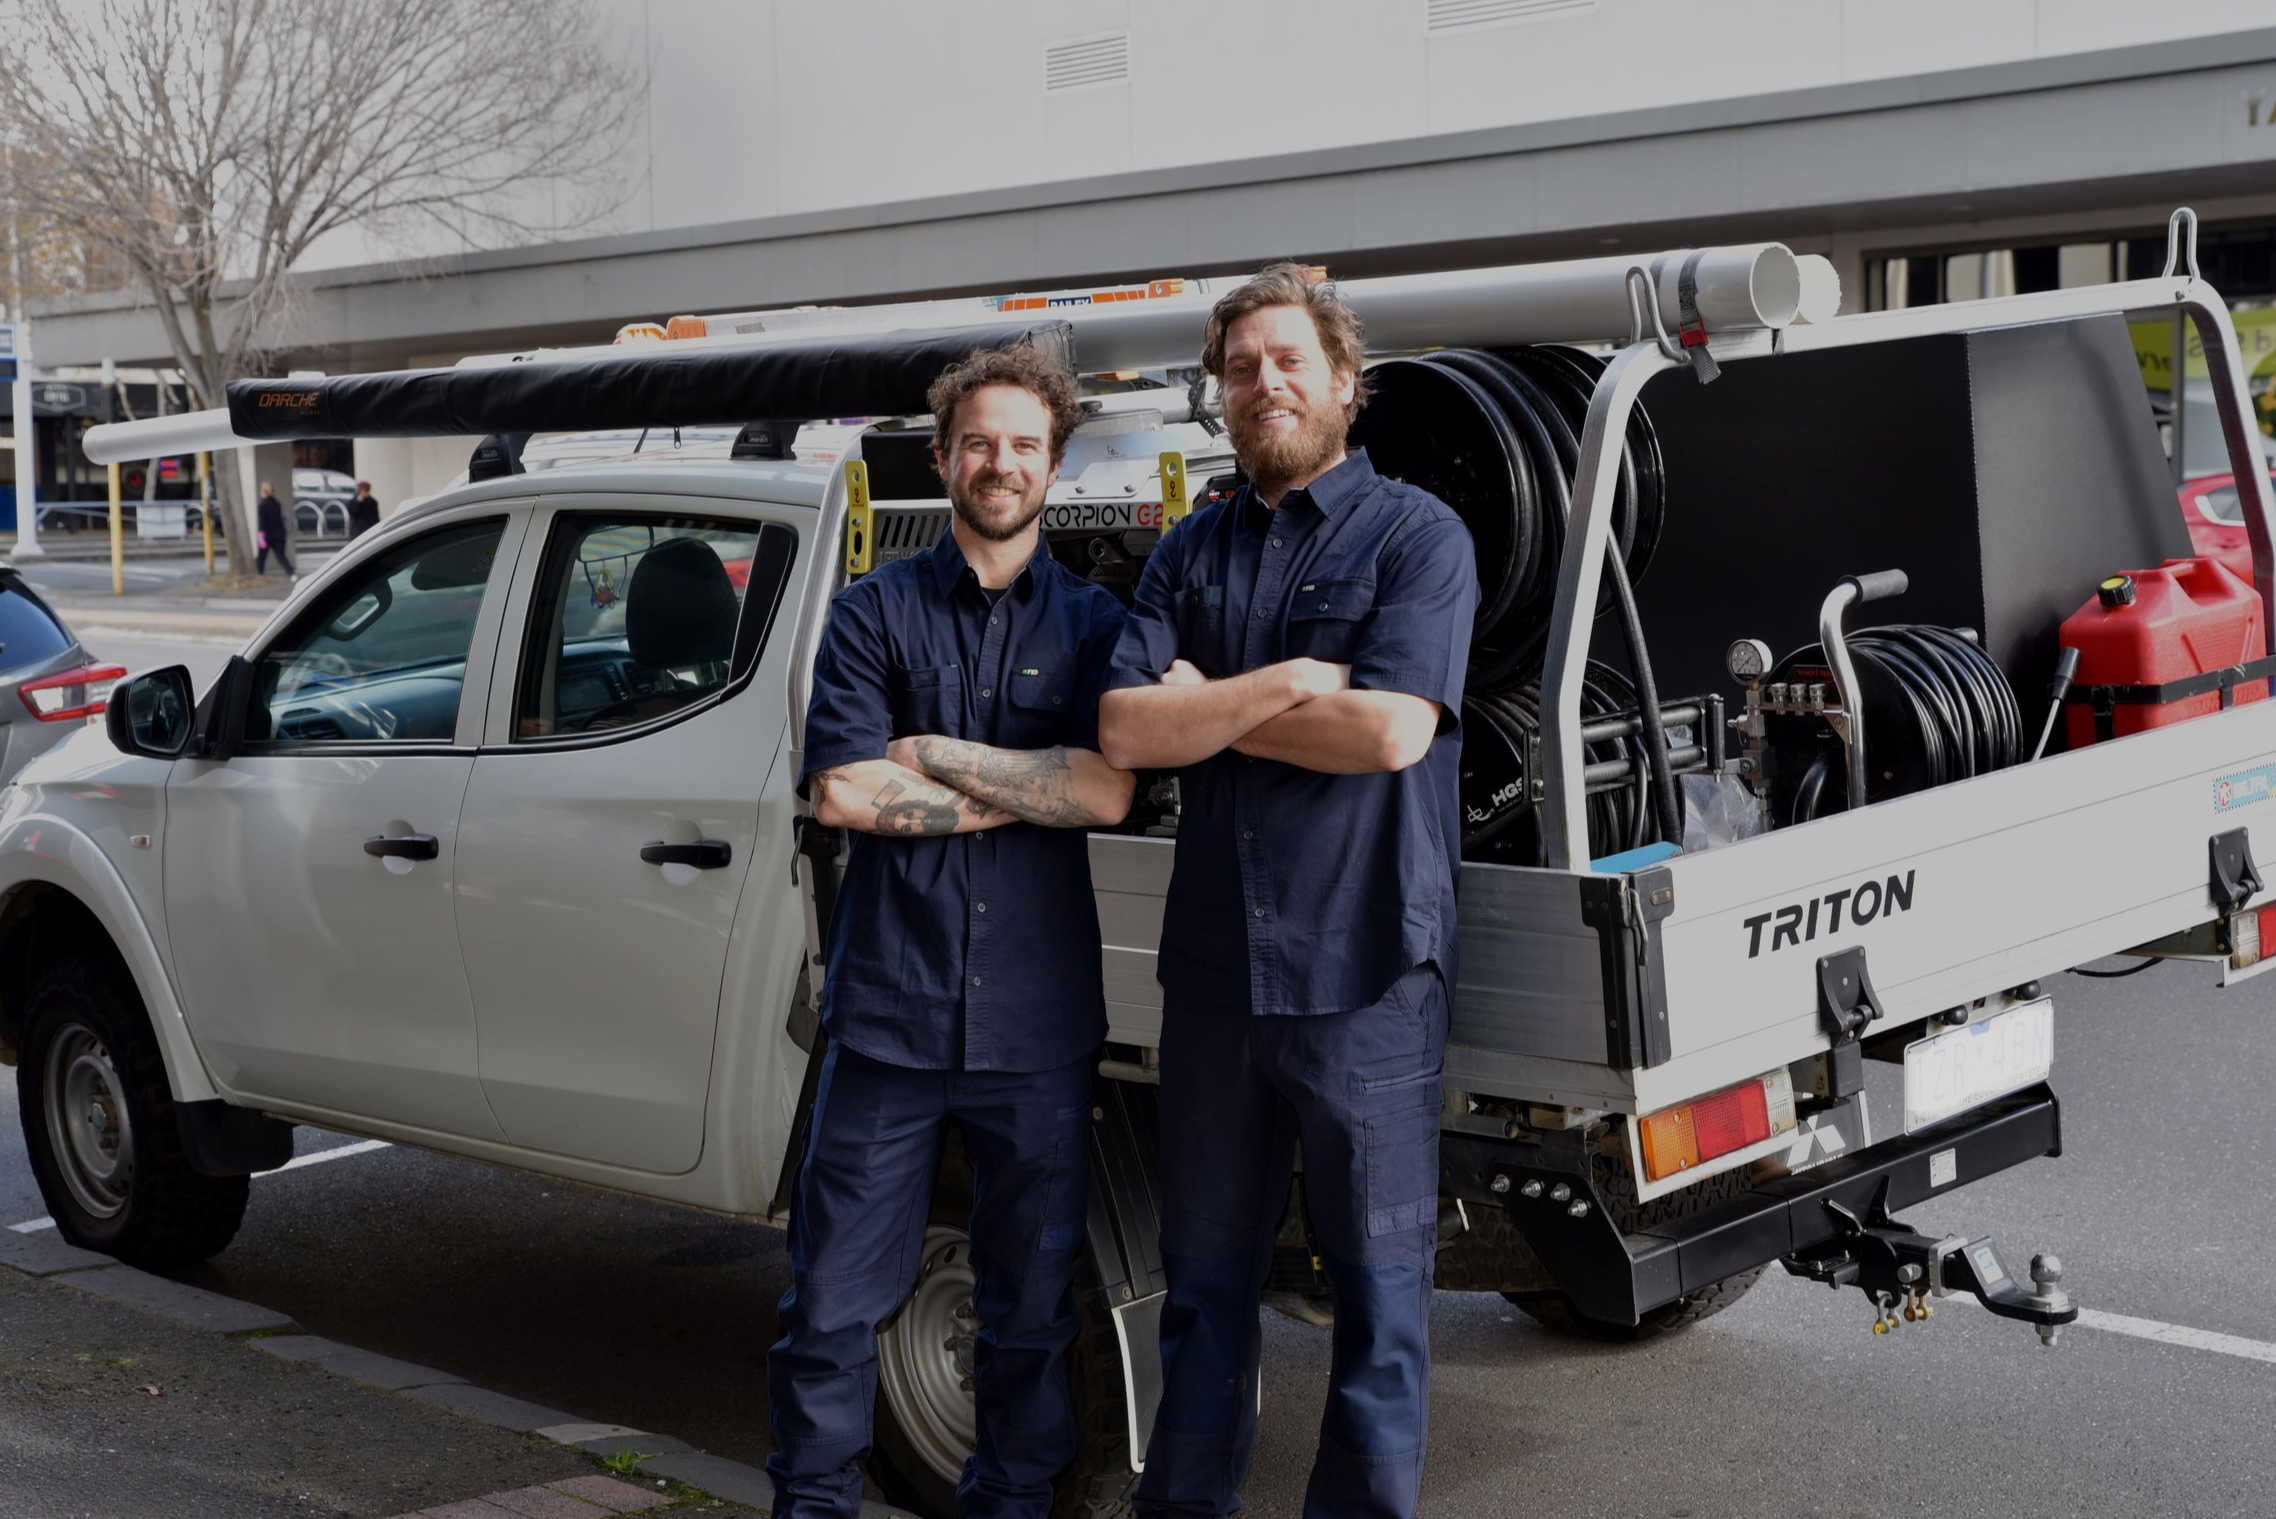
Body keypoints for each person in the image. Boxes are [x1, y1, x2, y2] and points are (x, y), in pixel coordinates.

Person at [1097, 264, 1477, 1519]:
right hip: (1216, 978)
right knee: (1201, 1288)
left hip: (1365, 973)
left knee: (1377, 1297)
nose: (1262, 382)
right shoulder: (1189, 548)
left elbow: (1387, 733)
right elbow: (1124, 728)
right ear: (1219, 392)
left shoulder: (1418, 537)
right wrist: (1285, 686)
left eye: (1286, 360)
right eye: (1239, 366)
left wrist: (1207, 705)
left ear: (1342, 382)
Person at [772, 344, 1135, 1519]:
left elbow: (1106, 791)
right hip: (888, 1021)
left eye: (1023, 444)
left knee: (1027, 1315)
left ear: (1053, 466)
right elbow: (843, 791)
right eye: (978, 441)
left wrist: (927, 754)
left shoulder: (1095, 625)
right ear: (941, 459)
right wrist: (1030, 783)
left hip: (1035, 1028)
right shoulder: (871, 611)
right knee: (831, 1307)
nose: (1000, 462)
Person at [255, 481, 295, 579]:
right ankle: (292, 574)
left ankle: (260, 575)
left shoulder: (262, 505)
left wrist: (260, 537)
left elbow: (262, 523)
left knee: (261, 558)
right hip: (279, 535)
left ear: (264, 492)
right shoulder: (277, 504)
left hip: (267, 536)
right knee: (281, 557)